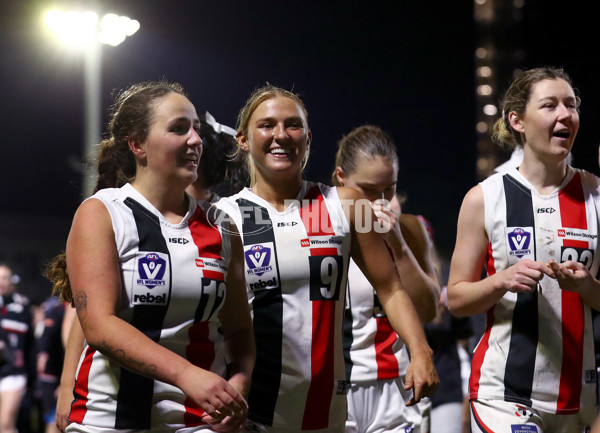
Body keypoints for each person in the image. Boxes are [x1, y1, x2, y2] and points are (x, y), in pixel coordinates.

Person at [214, 85, 439, 433]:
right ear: (243, 139)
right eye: (267, 125)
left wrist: (420, 350)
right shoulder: (223, 216)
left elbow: (391, 286)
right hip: (253, 415)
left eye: (293, 125)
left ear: (307, 138)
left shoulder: (350, 204)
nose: (281, 135)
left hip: (330, 414)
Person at [44, 80, 255, 433]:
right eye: (178, 128)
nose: (195, 140)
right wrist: (187, 375)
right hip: (110, 420)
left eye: (197, 130)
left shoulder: (222, 225)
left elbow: (238, 329)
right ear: (137, 144)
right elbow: (98, 324)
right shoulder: (103, 212)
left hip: (199, 423)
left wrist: (238, 387)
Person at [447, 67, 600, 432]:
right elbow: (456, 299)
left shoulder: (595, 195)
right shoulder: (485, 198)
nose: (565, 115)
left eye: (571, 105)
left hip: (578, 398)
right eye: (549, 105)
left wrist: (586, 287)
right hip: (505, 394)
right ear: (517, 120)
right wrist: (501, 280)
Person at [331, 124, 441, 433]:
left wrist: (398, 246)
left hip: (395, 385)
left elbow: (429, 310)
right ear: (341, 179)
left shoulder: (410, 228)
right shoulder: (321, 228)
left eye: (389, 189)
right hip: (337, 385)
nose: (380, 201)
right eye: (368, 190)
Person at [0, 263, 33, 433]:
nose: (1, 282)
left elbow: (25, 343)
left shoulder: (20, 307)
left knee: (5, 425)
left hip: (12, 371)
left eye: (5, 278)